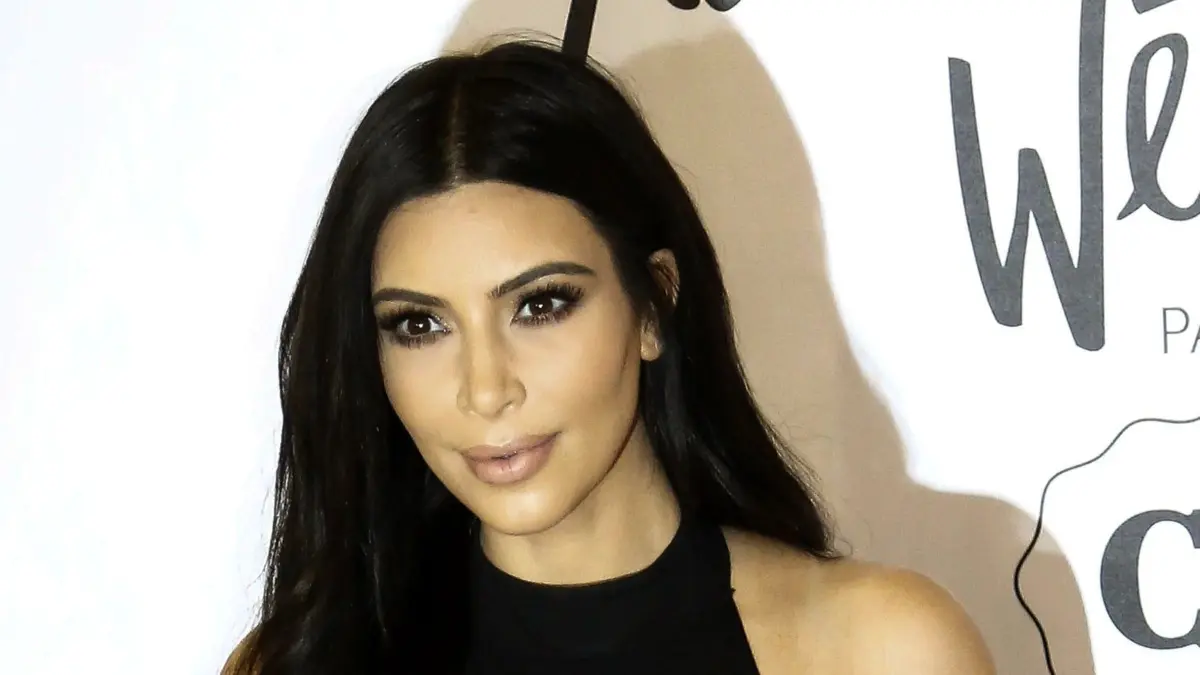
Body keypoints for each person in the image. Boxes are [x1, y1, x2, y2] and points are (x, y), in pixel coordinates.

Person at [223, 38, 994, 675]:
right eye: (420, 325)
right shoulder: (294, 664)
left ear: (652, 304)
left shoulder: (881, 651)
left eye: (540, 305)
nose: (485, 389)